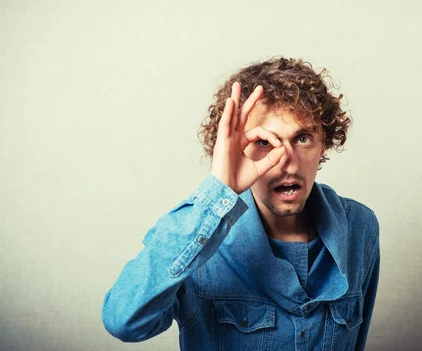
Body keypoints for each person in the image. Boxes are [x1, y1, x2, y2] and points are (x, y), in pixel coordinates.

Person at [102, 57, 380, 350]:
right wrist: (219, 190)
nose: (287, 161)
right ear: (236, 149)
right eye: (264, 141)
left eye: (302, 138)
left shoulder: (360, 228)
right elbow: (123, 321)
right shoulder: (198, 238)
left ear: (323, 143)